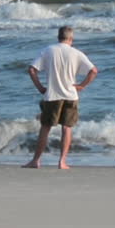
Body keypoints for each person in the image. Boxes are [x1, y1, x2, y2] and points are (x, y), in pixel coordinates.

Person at [23, 26, 98, 169]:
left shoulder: (48, 50)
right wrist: (82, 85)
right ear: (71, 38)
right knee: (67, 128)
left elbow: (32, 69)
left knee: (45, 127)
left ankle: (36, 160)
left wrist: (40, 87)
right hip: (70, 95)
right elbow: (93, 71)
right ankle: (62, 161)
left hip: (52, 95)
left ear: (58, 37)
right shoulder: (76, 53)